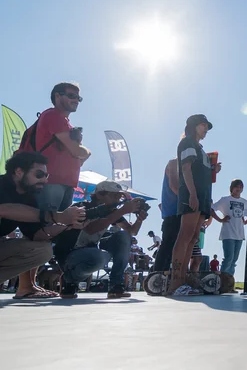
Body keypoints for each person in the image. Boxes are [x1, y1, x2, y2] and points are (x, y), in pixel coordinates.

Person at [0, 152, 85, 298]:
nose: (44, 181)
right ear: (19, 172)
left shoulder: (28, 198)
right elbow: (4, 209)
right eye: (39, 174)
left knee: (42, 250)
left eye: (46, 176)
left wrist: (66, 224)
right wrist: (56, 215)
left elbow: (37, 235)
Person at [60, 181, 147, 299]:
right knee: (100, 257)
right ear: (100, 195)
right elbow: (91, 229)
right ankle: (69, 279)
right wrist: (122, 211)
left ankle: (116, 285)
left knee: (123, 237)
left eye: (119, 196)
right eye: (114, 196)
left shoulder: (112, 212)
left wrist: (139, 220)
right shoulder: (82, 207)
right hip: (71, 255)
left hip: (90, 251)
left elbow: (131, 232)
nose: (118, 200)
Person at [168, 114, 221, 296]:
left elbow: (199, 171)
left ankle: (184, 280)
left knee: (193, 239)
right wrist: (191, 193)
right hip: (193, 195)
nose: (206, 129)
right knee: (185, 235)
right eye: (203, 125)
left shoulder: (200, 148)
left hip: (203, 197)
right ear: (194, 125)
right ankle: (176, 283)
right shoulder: (188, 143)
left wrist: (213, 170)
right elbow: (185, 169)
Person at [32, 82, 91, 212]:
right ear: (57, 96)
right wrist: (87, 152)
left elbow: (76, 155)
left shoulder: (65, 123)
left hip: (65, 183)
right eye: (71, 96)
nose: (76, 100)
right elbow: (77, 151)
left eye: (78, 98)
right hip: (52, 180)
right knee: (47, 225)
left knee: (57, 227)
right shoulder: (54, 115)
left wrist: (80, 154)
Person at [211, 179, 247, 278]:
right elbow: (211, 209)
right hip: (228, 233)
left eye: (241, 187)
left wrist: (245, 221)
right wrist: (220, 220)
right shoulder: (225, 199)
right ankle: (222, 281)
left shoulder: (244, 202)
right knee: (228, 258)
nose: (239, 188)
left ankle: (229, 283)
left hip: (239, 234)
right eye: (237, 186)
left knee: (234, 260)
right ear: (232, 188)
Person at [153, 158, 180, 271]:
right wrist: (192, 198)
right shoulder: (173, 163)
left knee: (175, 247)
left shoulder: (186, 167)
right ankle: (156, 277)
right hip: (172, 213)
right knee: (168, 246)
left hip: (180, 212)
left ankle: (167, 277)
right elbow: (174, 186)